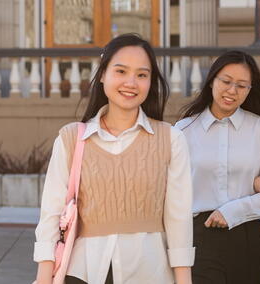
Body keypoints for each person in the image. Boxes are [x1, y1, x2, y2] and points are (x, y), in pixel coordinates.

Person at [34, 34, 194, 284]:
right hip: (83, 273)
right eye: (121, 71)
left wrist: (184, 280)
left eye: (142, 75)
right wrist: (44, 278)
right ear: (102, 75)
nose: (131, 82)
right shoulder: (71, 139)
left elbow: (179, 219)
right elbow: (51, 215)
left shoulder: (172, 140)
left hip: (150, 274)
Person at [175, 50, 260, 283]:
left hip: (247, 234)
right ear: (211, 81)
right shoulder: (183, 130)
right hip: (198, 235)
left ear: (250, 90)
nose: (232, 91)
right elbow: (173, 192)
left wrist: (232, 211)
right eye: (226, 82)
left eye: (242, 85)